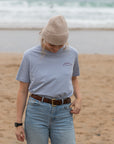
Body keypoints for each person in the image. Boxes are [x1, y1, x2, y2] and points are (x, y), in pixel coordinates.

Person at [15, 15, 82, 144]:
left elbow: (74, 79)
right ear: (44, 37)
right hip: (36, 113)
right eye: (52, 45)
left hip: (64, 114)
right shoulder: (29, 56)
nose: (56, 49)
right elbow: (22, 90)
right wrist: (18, 123)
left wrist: (79, 98)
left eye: (60, 45)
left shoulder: (72, 54)